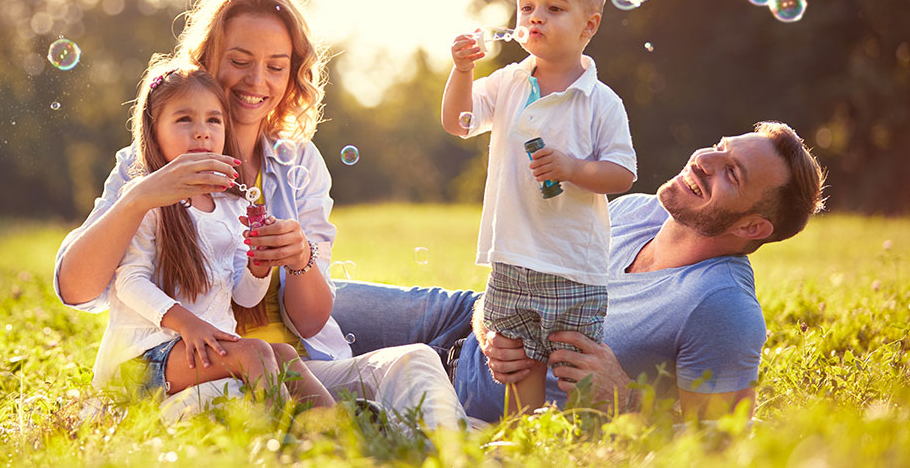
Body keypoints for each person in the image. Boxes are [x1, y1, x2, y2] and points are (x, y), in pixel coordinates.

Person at [54, 0, 466, 429]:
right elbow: (76, 289)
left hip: (296, 367)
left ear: (293, 74)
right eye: (239, 61)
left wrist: (297, 258)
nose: (257, 81)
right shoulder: (151, 163)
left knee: (415, 362)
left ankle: (457, 455)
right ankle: (338, 438)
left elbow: (307, 322)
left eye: (276, 66)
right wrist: (139, 197)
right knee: (259, 413)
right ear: (207, 60)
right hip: (194, 373)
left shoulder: (299, 162)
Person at [332, 121, 826, 423]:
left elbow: (719, 449)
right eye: (720, 147)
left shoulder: (722, 306)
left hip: (470, 394)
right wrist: (488, 317)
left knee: (294, 380)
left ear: (753, 225)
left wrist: (627, 399)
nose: (704, 160)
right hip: (460, 318)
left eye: (732, 172)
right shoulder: (635, 211)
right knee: (301, 298)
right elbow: (526, 272)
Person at [441, 0, 637, 413]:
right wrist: (463, 70)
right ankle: (526, 435)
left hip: (573, 262)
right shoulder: (509, 82)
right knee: (517, 359)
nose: (535, 17)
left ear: (589, 26)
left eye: (554, 8)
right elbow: (458, 121)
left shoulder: (600, 102)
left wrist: (572, 169)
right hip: (512, 254)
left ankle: (585, 435)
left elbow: (623, 173)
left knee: (574, 363)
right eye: (526, 6)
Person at [102, 66, 334, 407]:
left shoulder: (230, 206)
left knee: (283, 354)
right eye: (184, 120)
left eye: (214, 121)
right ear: (153, 131)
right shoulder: (146, 198)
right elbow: (128, 282)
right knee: (255, 352)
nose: (201, 133)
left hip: (202, 349)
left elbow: (246, 296)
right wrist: (188, 324)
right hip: (144, 358)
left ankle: (340, 430)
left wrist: (259, 265)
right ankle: (285, 439)